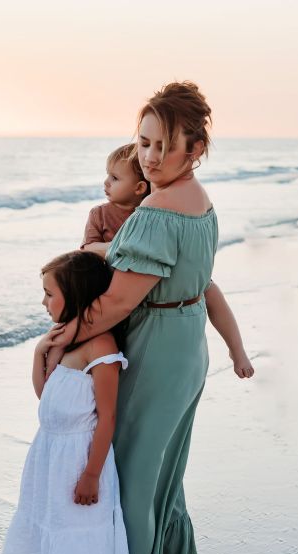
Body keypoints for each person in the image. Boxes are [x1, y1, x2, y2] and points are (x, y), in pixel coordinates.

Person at [47, 81, 229, 554]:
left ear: (193, 149)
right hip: (187, 342)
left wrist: (61, 340)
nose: (148, 157)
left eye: (162, 146)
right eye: (143, 143)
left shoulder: (155, 210)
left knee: (131, 477)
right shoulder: (200, 202)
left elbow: (120, 301)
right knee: (162, 477)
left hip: (156, 348)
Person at [0, 250, 136, 554]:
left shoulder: (101, 348)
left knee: (75, 542)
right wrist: (41, 353)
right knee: (44, 533)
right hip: (48, 456)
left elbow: (106, 419)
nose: (43, 302)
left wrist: (91, 475)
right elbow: (47, 401)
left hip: (78, 459)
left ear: (75, 295)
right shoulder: (66, 343)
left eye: (48, 294)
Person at [82, 144, 254, 378]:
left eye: (114, 177)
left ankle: (237, 350)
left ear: (139, 187)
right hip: (118, 286)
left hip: (159, 285)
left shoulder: (155, 213)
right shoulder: (99, 214)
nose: (106, 183)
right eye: (107, 175)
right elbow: (87, 249)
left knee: (209, 288)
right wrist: (124, 246)